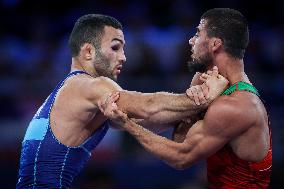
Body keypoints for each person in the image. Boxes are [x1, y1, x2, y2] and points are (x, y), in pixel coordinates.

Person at [16, 14, 228, 188]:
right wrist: (206, 97)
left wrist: (189, 109)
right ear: (89, 51)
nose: (124, 57)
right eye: (115, 47)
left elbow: (151, 120)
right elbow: (149, 107)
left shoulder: (75, 93)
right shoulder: (88, 86)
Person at [99, 8, 272, 188]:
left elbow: (181, 157)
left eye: (198, 33)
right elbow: (180, 137)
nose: (191, 40)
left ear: (215, 44)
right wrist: (194, 107)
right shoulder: (205, 81)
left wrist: (128, 124)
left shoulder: (239, 105)